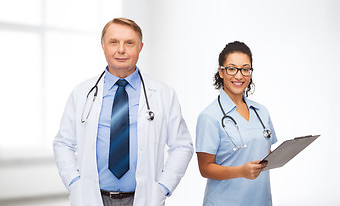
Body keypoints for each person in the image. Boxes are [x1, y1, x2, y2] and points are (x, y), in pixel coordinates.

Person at [53, 17, 193, 206]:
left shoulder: (163, 93)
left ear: (140, 47)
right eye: (114, 42)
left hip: (143, 198)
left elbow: (182, 146)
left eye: (129, 43)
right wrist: (74, 183)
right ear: (103, 45)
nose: (121, 49)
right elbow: (63, 144)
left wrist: (163, 187)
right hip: (93, 197)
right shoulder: (81, 93)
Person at [195, 41, 277, 206]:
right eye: (232, 69)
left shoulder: (261, 112)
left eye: (245, 69)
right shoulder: (209, 116)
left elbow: (265, 151)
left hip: (260, 200)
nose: (239, 76)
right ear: (221, 72)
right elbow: (205, 169)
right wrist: (241, 171)